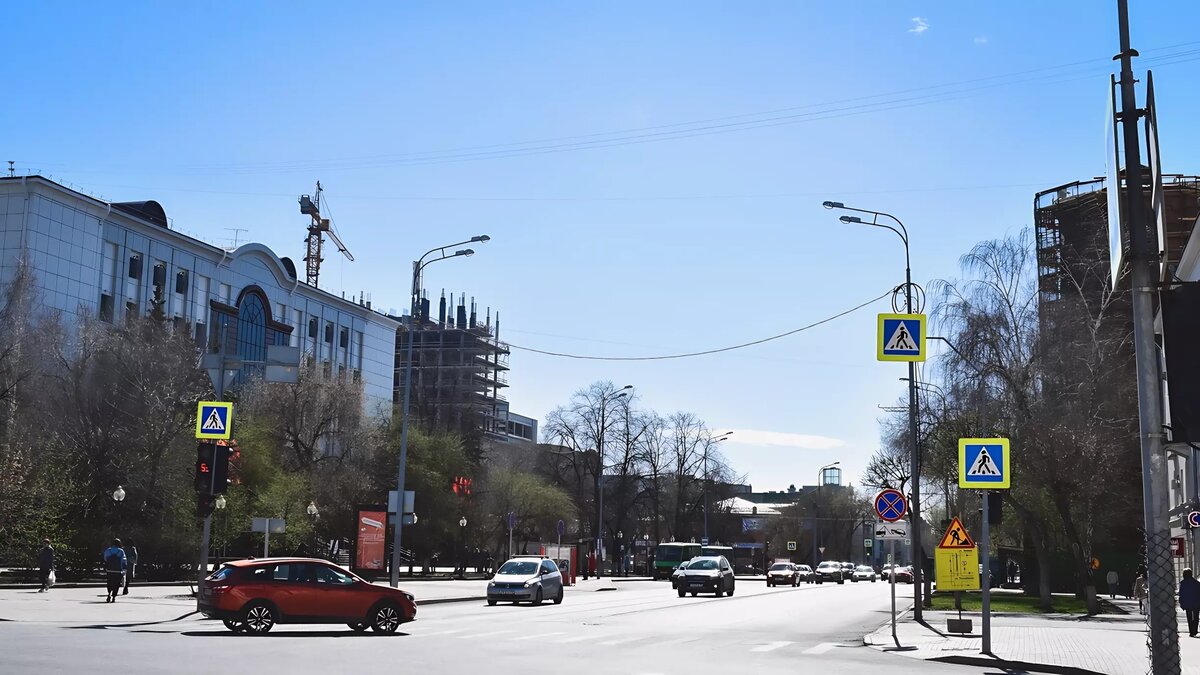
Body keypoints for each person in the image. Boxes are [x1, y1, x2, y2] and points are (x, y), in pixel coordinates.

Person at [102, 538, 127, 603]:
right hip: (118, 570)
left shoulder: (108, 550)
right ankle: (113, 597)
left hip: (109, 570)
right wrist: (124, 569)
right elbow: (124, 561)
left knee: (110, 583)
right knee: (116, 584)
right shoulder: (121, 551)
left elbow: (105, 559)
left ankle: (109, 594)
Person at [1180, 568, 1200, 637]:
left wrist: (1181, 603)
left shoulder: (1183, 583)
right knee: (1196, 617)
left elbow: (1181, 594)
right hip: (1196, 602)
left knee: (1189, 617)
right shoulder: (1196, 583)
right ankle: (1195, 630)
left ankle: (1191, 631)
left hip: (1187, 603)